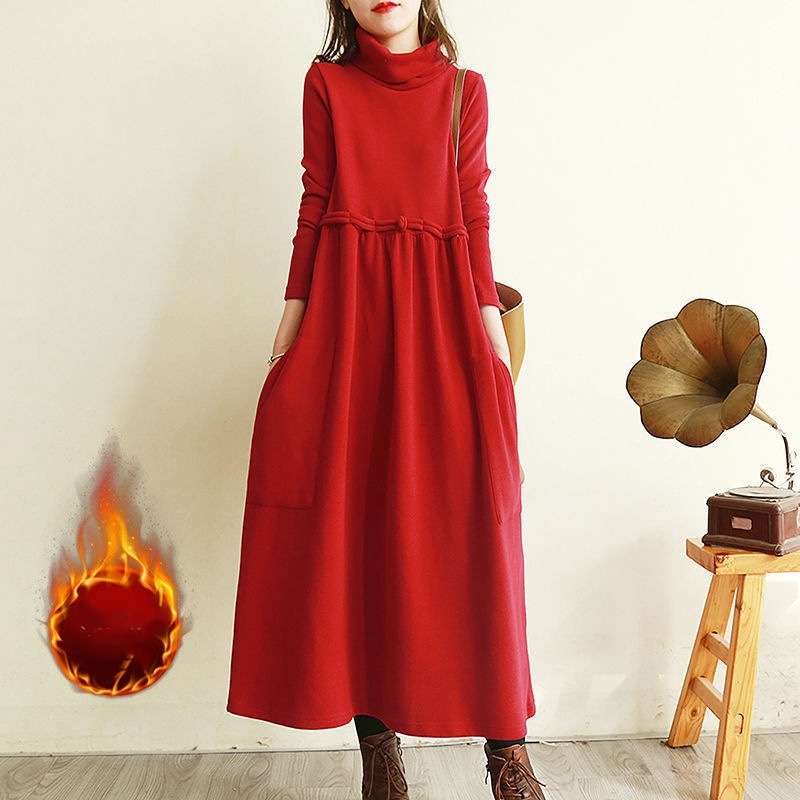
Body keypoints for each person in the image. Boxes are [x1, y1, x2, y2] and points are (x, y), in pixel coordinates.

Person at [227, 1, 545, 797]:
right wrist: (287, 338)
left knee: (477, 529)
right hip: (349, 323)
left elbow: (473, 217)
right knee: (357, 531)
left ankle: (508, 755)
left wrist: (492, 350)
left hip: (442, 318)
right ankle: (379, 751)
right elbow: (315, 204)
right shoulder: (327, 85)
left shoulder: (465, 91)